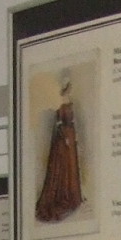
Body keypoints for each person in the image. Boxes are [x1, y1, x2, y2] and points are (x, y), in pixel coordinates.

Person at [35, 73, 84, 223]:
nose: (69, 89)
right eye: (67, 87)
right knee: (62, 168)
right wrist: (65, 138)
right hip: (63, 140)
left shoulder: (68, 102)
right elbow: (59, 123)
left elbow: (71, 121)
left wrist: (73, 137)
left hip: (70, 137)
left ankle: (72, 194)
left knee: (71, 167)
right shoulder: (61, 103)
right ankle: (63, 195)